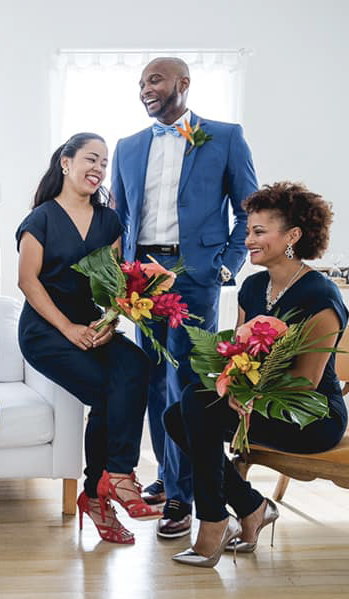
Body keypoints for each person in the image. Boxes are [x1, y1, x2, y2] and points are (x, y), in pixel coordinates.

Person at [111, 56, 258, 538]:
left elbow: (249, 211)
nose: (144, 90)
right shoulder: (128, 147)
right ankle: (171, 477)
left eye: (154, 80)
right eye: (140, 83)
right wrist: (117, 275)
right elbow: (120, 218)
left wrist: (226, 265)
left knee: (188, 381)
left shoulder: (225, 136)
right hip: (141, 277)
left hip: (195, 275)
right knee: (152, 377)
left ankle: (183, 494)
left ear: (183, 84)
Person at [164, 182, 347, 567]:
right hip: (259, 401)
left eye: (259, 232)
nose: (248, 240)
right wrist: (235, 385)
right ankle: (250, 506)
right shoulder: (253, 286)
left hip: (310, 414)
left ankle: (215, 521)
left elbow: (305, 383)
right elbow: (238, 353)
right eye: (248, 231)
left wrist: (249, 397)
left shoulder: (320, 296)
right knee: (177, 414)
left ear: (293, 236)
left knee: (194, 406)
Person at [16, 133, 158, 544]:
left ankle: (113, 477)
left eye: (104, 162)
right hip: (46, 331)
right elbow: (27, 281)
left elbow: (112, 284)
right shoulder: (40, 219)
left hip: (93, 326)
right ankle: (104, 489)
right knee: (109, 391)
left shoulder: (110, 221)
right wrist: (67, 328)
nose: (98, 168)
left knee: (138, 365)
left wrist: (111, 322)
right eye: (90, 159)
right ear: (66, 162)